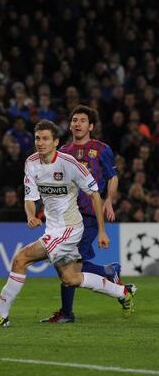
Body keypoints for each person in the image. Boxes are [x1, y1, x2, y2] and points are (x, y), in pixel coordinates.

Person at [0, 120, 135, 328]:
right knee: (71, 278)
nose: (40, 143)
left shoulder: (70, 165)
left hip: (70, 228)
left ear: (56, 142)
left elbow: (95, 195)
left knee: (21, 259)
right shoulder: (31, 163)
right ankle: (122, 293)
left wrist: (102, 230)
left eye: (45, 139)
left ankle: (0, 315)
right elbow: (29, 197)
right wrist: (31, 216)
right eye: (37, 138)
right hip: (53, 228)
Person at [40, 105, 125, 323]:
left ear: (91, 126)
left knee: (69, 261)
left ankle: (69, 311)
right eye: (74, 120)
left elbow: (112, 177)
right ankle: (107, 272)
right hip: (66, 216)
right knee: (70, 263)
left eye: (82, 120)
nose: (77, 124)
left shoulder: (101, 149)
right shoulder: (64, 152)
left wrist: (109, 201)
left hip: (88, 215)